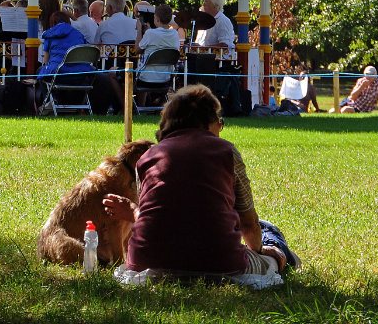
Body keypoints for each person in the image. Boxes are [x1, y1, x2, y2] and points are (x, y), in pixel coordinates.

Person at [103, 85, 296, 288]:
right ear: (208, 122)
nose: (220, 130)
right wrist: (259, 252)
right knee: (269, 233)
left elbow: (156, 217)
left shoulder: (147, 157)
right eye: (220, 123)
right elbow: (248, 223)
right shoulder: (226, 151)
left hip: (147, 262)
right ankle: (282, 254)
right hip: (220, 263)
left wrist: (133, 211)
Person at [39, 11, 89, 76]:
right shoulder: (79, 35)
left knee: (40, 70)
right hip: (79, 73)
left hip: (57, 72)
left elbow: (45, 61)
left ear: (53, 23)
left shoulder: (49, 35)